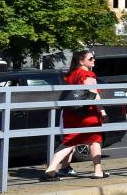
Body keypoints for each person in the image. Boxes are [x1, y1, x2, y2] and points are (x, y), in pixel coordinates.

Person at [43, 49, 107, 181]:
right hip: (87, 113)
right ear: (81, 61)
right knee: (94, 141)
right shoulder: (88, 75)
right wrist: (102, 111)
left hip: (70, 112)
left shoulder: (71, 74)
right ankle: (98, 171)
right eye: (90, 58)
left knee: (69, 141)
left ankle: (51, 168)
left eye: (93, 57)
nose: (93, 60)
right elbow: (94, 94)